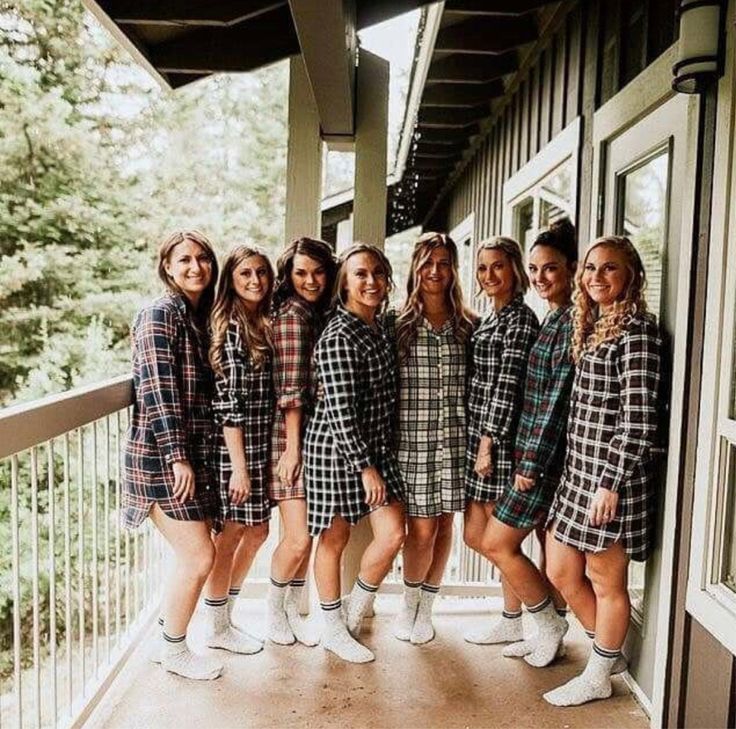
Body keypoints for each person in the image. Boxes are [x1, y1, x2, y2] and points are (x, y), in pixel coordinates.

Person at [543, 236, 662, 706]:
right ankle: (607, 653)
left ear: (631, 274)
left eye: (609, 268)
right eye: (590, 268)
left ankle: (597, 675)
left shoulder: (638, 334)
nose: (596, 276)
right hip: (578, 474)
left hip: (613, 480)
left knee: (605, 578)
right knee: (560, 567)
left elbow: (637, 419)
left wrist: (610, 483)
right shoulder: (594, 326)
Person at [122, 230, 223, 680]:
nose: (195, 267)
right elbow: (157, 391)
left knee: (198, 552)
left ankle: (169, 631)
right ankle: (174, 650)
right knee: (198, 555)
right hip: (163, 459)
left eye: (203, 258)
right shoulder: (158, 315)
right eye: (184, 260)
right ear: (167, 266)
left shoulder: (198, 318)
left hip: (191, 457)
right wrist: (177, 457)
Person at [478, 220, 577, 667]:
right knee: (531, 545)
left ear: (571, 270)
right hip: (529, 453)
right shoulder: (553, 318)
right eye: (535, 269)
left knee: (497, 542)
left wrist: (531, 463)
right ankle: (545, 627)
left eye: (549, 269)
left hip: (539, 460)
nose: (540, 277)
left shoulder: (569, 323)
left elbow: (553, 402)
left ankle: (550, 623)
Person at [303, 243, 405, 664]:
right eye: (361, 273)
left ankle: (354, 610)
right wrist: (365, 469)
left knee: (393, 532)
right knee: (334, 538)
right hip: (336, 451)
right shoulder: (338, 335)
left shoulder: (379, 327)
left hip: (377, 449)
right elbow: (340, 411)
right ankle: (332, 629)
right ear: (345, 281)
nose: (371, 281)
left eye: (378, 273)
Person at [387, 232, 476, 645]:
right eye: (427, 263)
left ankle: (428, 607)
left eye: (443, 263)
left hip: (456, 441)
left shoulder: (467, 326)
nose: (435, 271)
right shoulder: (396, 325)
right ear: (415, 268)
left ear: (453, 270)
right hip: (414, 443)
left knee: (445, 526)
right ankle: (409, 609)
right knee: (420, 530)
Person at [462, 236, 539, 645]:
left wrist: (487, 444)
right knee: (476, 537)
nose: (489, 275)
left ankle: (534, 616)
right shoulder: (490, 318)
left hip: (500, 441)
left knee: (499, 540)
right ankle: (512, 618)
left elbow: (507, 387)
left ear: (515, 270)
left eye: (498, 266)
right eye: (482, 268)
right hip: (479, 435)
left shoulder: (520, 320)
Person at [204, 244, 276, 656]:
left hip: (258, 443)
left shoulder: (259, 322)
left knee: (258, 530)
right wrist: (239, 468)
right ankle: (217, 625)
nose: (255, 281)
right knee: (231, 535)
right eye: (246, 273)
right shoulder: (231, 328)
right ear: (231, 279)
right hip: (236, 448)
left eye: (262, 273)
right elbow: (229, 405)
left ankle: (224, 616)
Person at [266, 237, 337, 646]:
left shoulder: (315, 313)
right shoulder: (293, 315)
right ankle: (276, 615)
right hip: (290, 440)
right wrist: (293, 449)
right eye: (300, 273)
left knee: (306, 534)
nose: (310, 280)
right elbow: (291, 390)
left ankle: (292, 611)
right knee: (297, 539)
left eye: (317, 272)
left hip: (310, 438)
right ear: (288, 277)